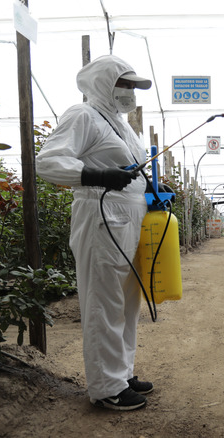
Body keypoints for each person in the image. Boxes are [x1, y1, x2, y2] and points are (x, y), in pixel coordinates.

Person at [35, 54, 154, 411]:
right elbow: (48, 161)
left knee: (128, 301)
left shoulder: (122, 124)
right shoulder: (83, 115)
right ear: (104, 83)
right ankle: (107, 387)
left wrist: (155, 194)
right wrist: (96, 176)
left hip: (129, 219)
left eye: (134, 86)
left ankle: (123, 372)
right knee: (104, 301)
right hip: (101, 216)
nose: (131, 92)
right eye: (125, 84)